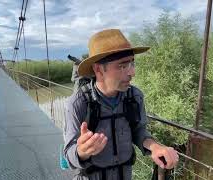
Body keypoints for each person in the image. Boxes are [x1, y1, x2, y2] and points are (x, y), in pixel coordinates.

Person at [63, 29, 179, 180]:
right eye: (122, 66)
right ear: (98, 69)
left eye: (132, 63)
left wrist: (155, 147)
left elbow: (139, 131)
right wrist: (82, 151)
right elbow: (68, 156)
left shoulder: (134, 96)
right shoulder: (77, 103)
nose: (132, 73)